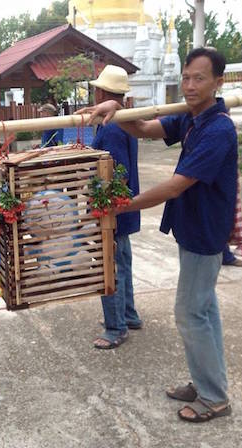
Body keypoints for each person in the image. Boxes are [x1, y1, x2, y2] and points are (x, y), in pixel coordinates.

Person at [79, 47, 236, 422]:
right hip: (193, 227)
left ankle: (214, 397)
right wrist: (117, 113)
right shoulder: (193, 118)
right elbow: (148, 129)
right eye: (186, 77)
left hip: (205, 231)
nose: (190, 85)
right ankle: (206, 382)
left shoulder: (218, 129)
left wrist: (121, 206)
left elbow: (174, 186)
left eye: (199, 78)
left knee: (190, 313)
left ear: (218, 81)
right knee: (205, 310)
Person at [88, 65, 143, 349]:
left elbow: (115, 174)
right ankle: (129, 315)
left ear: (101, 92)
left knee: (110, 268)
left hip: (114, 211)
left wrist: (101, 205)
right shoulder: (125, 119)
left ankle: (116, 327)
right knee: (123, 264)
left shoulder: (111, 127)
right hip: (124, 208)